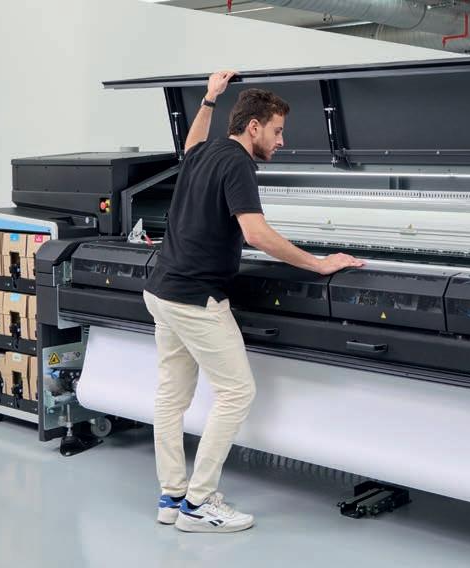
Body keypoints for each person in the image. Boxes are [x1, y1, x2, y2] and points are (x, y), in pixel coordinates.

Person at [143, 70, 364, 533]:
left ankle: (172, 496)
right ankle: (198, 505)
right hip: (195, 298)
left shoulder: (205, 152)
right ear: (254, 126)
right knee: (237, 392)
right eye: (278, 131)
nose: (282, 141)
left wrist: (209, 98)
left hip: (161, 290)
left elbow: (190, 143)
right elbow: (256, 233)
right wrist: (318, 264)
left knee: (171, 397)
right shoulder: (239, 163)